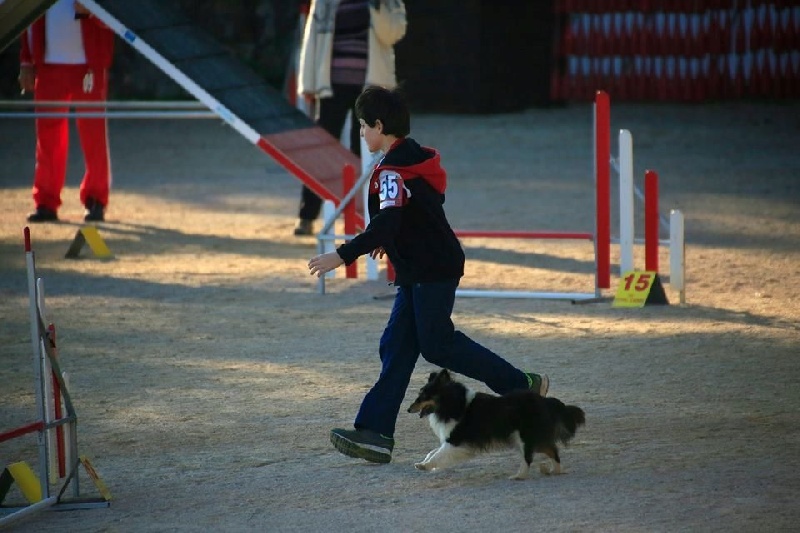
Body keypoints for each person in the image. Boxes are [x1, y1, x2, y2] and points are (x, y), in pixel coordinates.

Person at [307, 86, 550, 464]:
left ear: (379, 125)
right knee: (397, 346)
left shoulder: (390, 170)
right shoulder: (412, 160)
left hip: (430, 269)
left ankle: (521, 386)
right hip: (423, 267)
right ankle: (375, 433)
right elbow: (418, 210)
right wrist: (395, 239)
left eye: (362, 126)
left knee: (437, 344)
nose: (360, 134)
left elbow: (389, 221)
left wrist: (342, 254)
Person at [293, 0, 407, 236]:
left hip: (371, 89)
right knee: (321, 150)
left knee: (366, 152)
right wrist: (308, 82)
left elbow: (393, 34)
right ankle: (307, 215)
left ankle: (365, 215)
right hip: (331, 85)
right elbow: (312, 37)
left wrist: (377, 7)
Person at [18, 0, 115, 223]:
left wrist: (93, 11)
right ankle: (46, 202)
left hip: (89, 64)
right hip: (48, 64)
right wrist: (26, 60)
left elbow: (119, 16)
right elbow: (25, 15)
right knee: (48, 135)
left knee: (93, 132)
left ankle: (96, 199)